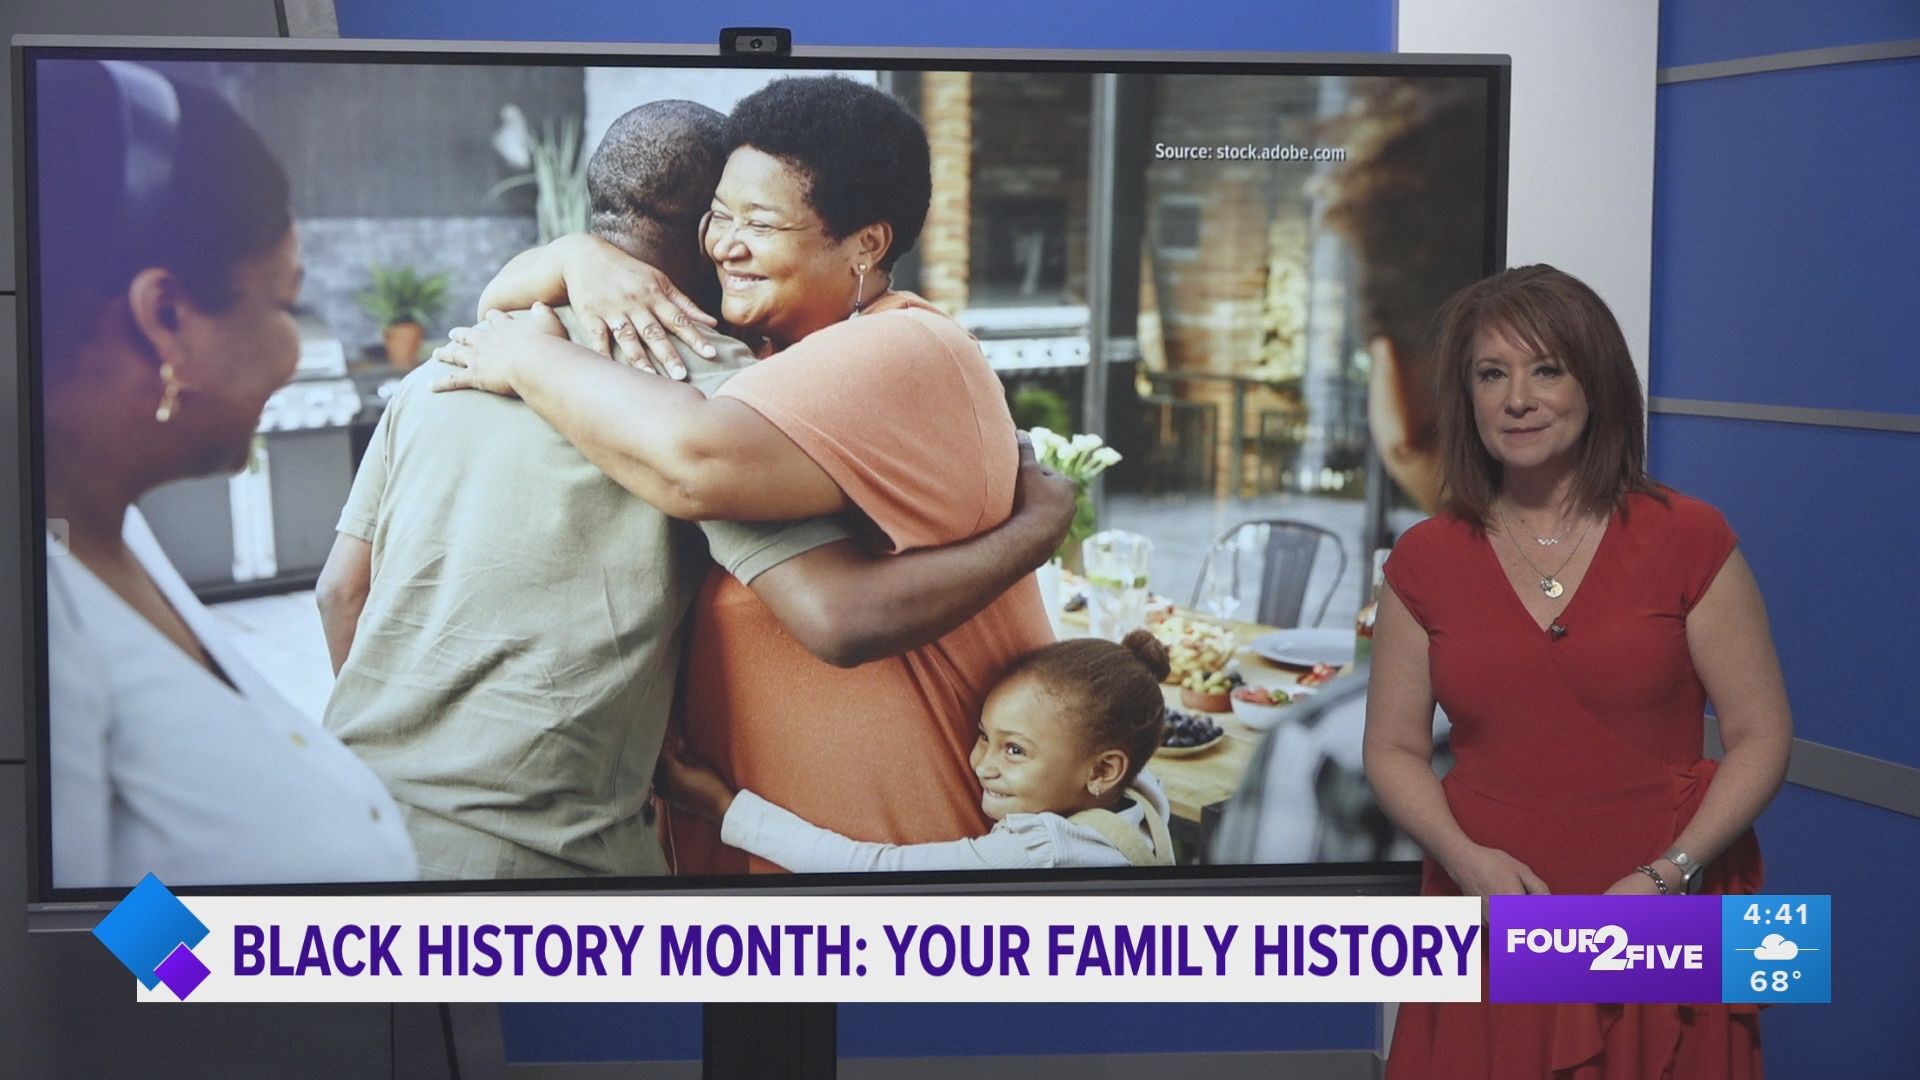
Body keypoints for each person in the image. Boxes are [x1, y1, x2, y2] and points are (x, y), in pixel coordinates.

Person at [317, 100, 1074, 880]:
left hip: (355, 808)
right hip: (539, 851)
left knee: (214, 987)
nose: (731, 245)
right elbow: (825, 600)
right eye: (720, 215)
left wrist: (541, 328)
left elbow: (342, 593)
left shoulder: (452, 366)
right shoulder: (705, 379)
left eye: (762, 221)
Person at [1363, 265, 1791, 1078]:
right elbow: (1391, 749)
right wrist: (1464, 859)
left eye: (1546, 369)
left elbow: (1763, 735)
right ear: (1469, 398)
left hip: (1662, 893)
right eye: (1493, 375)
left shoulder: (1690, 537)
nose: (1517, 398)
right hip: (1495, 899)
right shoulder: (1425, 558)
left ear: (1595, 385)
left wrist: (1669, 877)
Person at [36, 60, 415, 887]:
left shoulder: (103, 536)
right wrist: (227, 981)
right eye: (285, 305)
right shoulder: (41, 615)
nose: (292, 352)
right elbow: (70, 948)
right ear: (166, 316)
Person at [656, 631, 1176, 872]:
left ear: (1104, 769)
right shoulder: (1145, 800)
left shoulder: (1041, 849)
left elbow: (874, 869)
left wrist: (723, 807)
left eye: (1015, 750)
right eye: (982, 736)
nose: (982, 764)